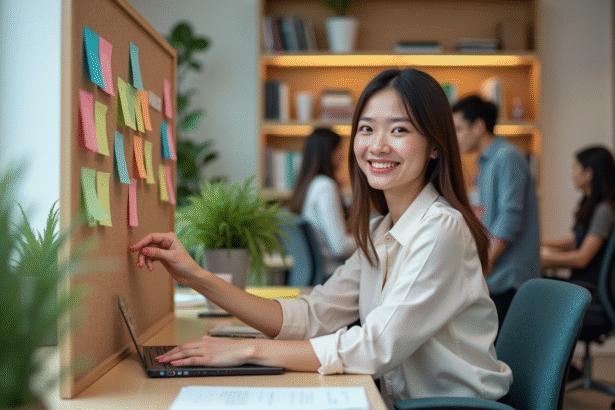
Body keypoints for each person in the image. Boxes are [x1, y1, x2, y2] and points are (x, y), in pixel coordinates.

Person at [130, 68, 513, 407]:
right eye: (366, 128)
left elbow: (375, 347)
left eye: (399, 129)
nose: (377, 145)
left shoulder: (441, 230)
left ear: (434, 146)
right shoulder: (382, 231)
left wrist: (249, 349)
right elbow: (313, 315)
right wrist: (196, 276)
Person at [452, 95, 540, 327]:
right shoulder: (486, 163)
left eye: (459, 129)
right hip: (497, 275)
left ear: (479, 127)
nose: (455, 137)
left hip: (509, 277)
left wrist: (485, 262)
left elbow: (510, 218)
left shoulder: (507, 157)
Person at [541, 145, 615, 288]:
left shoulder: (604, 210)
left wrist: (544, 259)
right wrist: (542, 244)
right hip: (581, 284)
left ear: (589, 174)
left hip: (588, 288)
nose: (572, 174)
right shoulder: (591, 205)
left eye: (575, 168)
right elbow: (577, 241)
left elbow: (582, 258)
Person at [287, 127, 356, 277]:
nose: (342, 155)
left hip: (317, 276)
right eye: (339, 149)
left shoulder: (310, 185)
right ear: (328, 152)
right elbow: (340, 247)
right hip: (332, 276)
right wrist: (374, 239)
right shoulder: (325, 186)